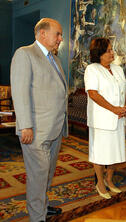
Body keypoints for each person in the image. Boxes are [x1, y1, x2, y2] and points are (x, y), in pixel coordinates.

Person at [10, 18, 68, 222]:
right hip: (35, 130)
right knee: (38, 175)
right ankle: (37, 217)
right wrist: (25, 125)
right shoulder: (25, 54)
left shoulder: (55, 59)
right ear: (43, 34)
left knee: (48, 173)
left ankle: (42, 205)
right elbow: (20, 92)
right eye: (58, 34)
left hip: (55, 128)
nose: (61, 38)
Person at [84, 37, 126, 199]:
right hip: (101, 119)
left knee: (115, 152)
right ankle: (100, 183)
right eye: (109, 50)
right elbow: (93, 94)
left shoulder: (117, 69)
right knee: (100, 153)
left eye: (112, 49)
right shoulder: (92, 69)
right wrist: (114, 109)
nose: (112, 53)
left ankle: (109, 180)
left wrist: (125, 106)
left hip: (119, 118)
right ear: (99, 53)